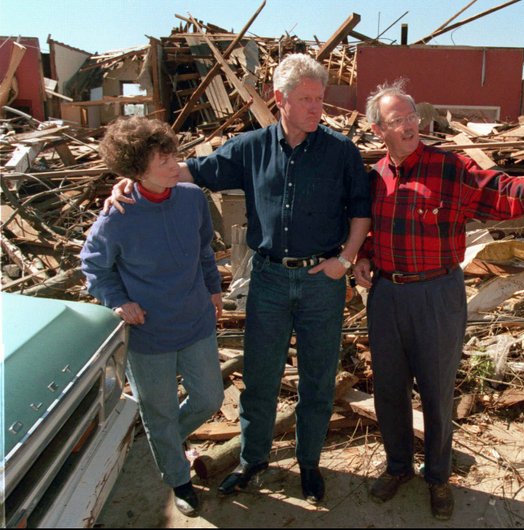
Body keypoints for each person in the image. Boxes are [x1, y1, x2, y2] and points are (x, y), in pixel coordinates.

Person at [106, 53, 371, 504]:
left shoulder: (340, 152)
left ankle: (309, 464)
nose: (316, 108)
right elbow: (190, 170)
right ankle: (252, 459)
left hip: (321, 281)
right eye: (305, 99)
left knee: (318, 378)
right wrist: (137, 179)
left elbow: (361, 212)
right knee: (261, 377)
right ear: (279, 99)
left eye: (319, 99)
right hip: (267, 279)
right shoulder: (251, 147)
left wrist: (343, 262)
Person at [353, 81, 524, 521]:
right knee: (389, 390)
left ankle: (437, 477)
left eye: (412, 115)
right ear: (379, 130)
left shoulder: (449, 167)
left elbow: (498, 189)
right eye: (397, 120)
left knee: (436, 391)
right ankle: (397, 467)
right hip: (386, 295)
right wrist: (364, 256)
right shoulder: (374, 177)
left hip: (437, 294)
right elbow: (370, 229)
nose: (410, 125)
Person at [81, 116, 224, 517]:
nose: (173, 162)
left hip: (195, 320)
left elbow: (203, 251)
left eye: (172, 153)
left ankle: (166, 438)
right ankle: (179, 480)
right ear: (136, 167)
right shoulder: (117, 216)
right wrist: (118, 300)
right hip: (149, 333)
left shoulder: (192, 198)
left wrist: (213, 289)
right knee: (158, 409)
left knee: (209, 397)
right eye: (162, 158)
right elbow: (94, 267)